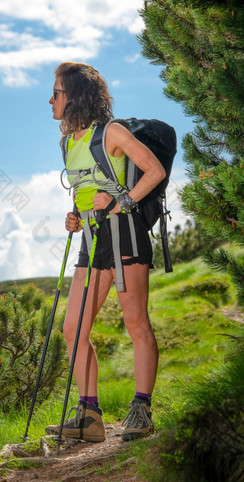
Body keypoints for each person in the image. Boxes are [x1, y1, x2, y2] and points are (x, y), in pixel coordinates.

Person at [45, 62, 166, 442]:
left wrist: (122, 202)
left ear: (76, 95)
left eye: (57, 93)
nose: (50, 100)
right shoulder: (67, 143)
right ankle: (90, 416)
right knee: (72, 329)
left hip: (126, 234)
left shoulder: (111, 132)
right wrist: (75, 217)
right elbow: (85, 194)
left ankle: (142, 409)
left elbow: (154, 170)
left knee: (136, 324)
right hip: (92, 239)